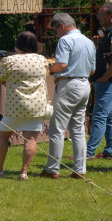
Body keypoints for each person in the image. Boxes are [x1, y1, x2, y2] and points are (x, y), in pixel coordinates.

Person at [0, 31, 49, 180]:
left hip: (15, 106)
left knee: (1, 136)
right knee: (31, 138)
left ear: (18, 44)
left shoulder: (10, 60)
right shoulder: (41, 60)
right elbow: (45, 75)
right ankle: (24, 172)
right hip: (36, 106)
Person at [40, 13, 96, 179]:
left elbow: (62, 64)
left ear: (61, 26)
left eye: (56, 31)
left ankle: (52, 169)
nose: (56, 35)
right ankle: (80, 170)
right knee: (78, 130)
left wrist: (48, 69)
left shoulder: (65, 40)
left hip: (68, 84)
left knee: (57, 128)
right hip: (85, 84)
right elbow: (92, 69)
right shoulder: (89, 41)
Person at [85, 3, 112, 161]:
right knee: (109, 116)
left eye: (101, 14)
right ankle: (111, 151)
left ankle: (88, 153)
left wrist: (104, 77)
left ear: (111, 15)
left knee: (100, 116)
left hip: (108, 81)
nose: (98, 17)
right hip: (108, 80)